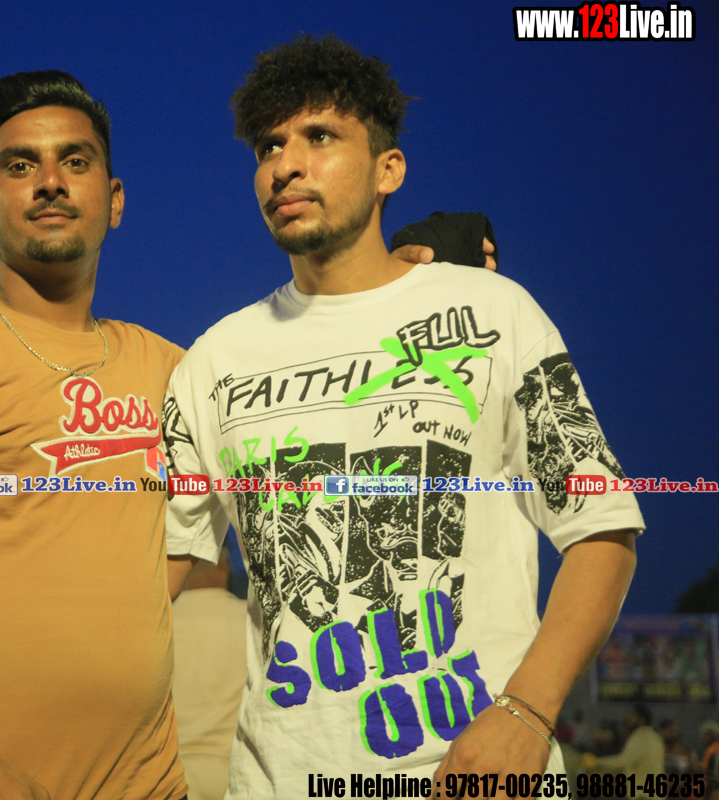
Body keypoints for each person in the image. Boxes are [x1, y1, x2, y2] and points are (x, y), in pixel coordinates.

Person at [0, 69, 497, 800]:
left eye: (75, 161)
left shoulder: (181, 372)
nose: (50, 182)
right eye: (19, 166)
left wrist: (420, 259)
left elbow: (326, 376)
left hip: (143, 783)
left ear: (114, 201)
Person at [162, 34, 642, 794]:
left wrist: (526, 712)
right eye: (270, 145)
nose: (286, 164)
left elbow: (602, 529)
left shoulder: (493, 312)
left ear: (389, 169)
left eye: (320, 137)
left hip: (480, 772)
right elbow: (162, 571)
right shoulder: (213, 361)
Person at [171, 544, 247, 800]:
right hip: (238, 771)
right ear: (225, 571)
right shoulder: (250, 621)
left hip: (177, 775)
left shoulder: (162, 625)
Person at [582, 705, 664, 797]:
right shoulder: (655, 737)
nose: (628, 718)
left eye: (633, 715)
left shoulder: (640, 737)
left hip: (643, 795)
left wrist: (596, 762)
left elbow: (622, 761)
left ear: (641, 719)